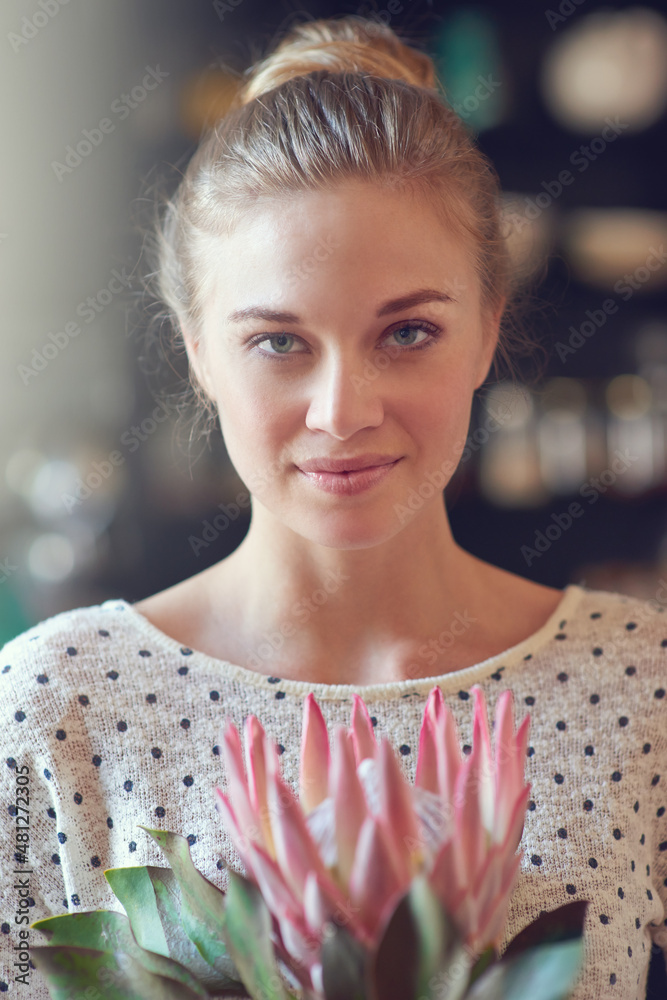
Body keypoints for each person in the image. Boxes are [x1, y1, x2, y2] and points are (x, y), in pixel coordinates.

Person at [1, 15, 666, 999]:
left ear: (487, 329)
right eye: (278, 341)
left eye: (407, 331)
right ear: (197, 350)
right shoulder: (57, 708)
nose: (342, 411)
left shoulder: (636, 686)